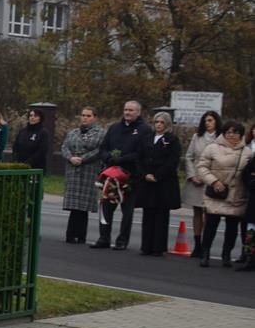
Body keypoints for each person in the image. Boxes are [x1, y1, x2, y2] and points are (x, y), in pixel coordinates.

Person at [91, 100, 147, 250]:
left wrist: (123, 159)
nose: (127, 112)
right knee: (106, 208)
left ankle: (122, 240)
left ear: (138, 112)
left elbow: (142, 153)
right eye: (126, 109)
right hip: (111, 175)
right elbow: (103, 148)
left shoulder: (144, 130)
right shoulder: (114, 128)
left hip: (130, 177)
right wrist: (109, 157)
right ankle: (104, 238)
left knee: (126, 211)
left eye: (131, 110)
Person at [194, 120, 250, 268]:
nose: (231, 135)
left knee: (232, 228)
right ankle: (205, 253)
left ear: (241, 134)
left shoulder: (247, 152)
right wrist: (214, 181)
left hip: (237, 195)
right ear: (224, 133)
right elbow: (202, 167)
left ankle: (226, 254)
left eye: (235, 132)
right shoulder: (212, 148)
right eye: (228, 132)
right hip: (216, 193)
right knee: (211, 225)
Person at [134, 111, 182, 257]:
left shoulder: (172, 140)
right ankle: (146, 246)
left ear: (167, 124)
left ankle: (158, 247)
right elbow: (139, 158)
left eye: (162, 122)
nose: (159, 125)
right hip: (147, 182)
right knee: (148, 214)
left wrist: (158, 175)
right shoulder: (146, 138)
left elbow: (172, 161)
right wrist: (145, 174)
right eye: (156, 122)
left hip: (163, 183)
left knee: (161, 216)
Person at [60, 106, 105, 244]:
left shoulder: (101, 133)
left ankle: (80, 236)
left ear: (94, 117)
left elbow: (100, 150)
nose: (85, 118)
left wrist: (83, 158)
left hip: (88, 171)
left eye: (88, 115)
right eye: (83, 115)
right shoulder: (73, 132)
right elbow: (64, 147)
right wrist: (70, 158)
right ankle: (70, 234)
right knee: (74, 206)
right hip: (73, 171)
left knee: (83, 207)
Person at [182, 110, 222, 258]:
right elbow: (189, 157)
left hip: (212, 180)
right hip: (197, 180)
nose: (207, 123)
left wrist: (213, 178)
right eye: (205, 121)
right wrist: (192, 175)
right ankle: (197, 244)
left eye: (210, 120)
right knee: (197, 212)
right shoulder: (197, 137)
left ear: (216, 122)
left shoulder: (221, 138)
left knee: (209, 213)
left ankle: (206, 244)